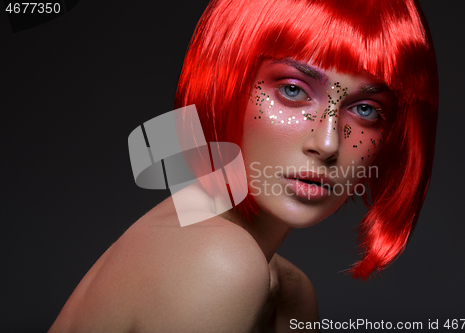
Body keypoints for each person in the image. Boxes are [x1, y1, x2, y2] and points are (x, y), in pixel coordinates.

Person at [49, 0, 438, 331]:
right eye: (292, 90)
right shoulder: (217, 262)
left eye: (365, 109)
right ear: (225, 83)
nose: (327, 143)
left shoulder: (290, 289)